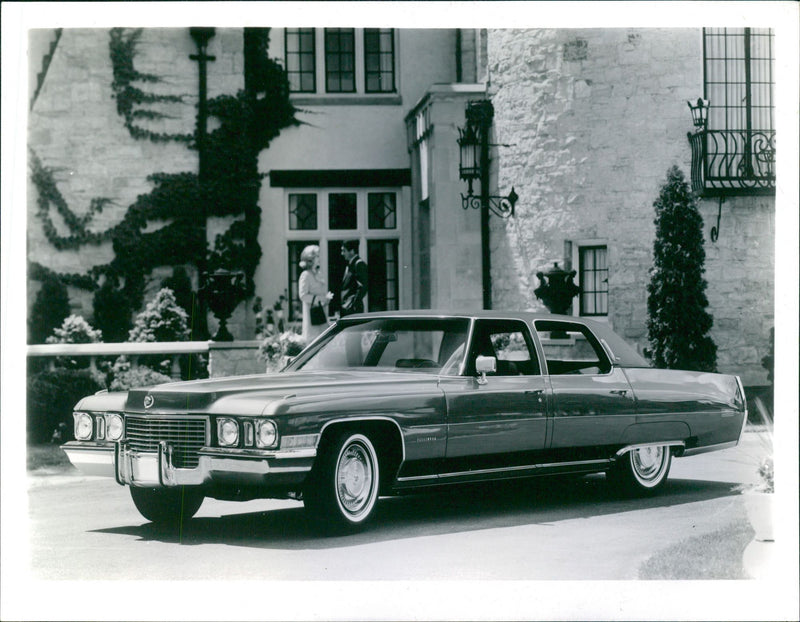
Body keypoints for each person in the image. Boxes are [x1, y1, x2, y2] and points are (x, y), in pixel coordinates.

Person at [297, 245, 332, 343]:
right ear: (310, 259)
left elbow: (322, 294)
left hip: (322, 314)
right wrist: (319, 299)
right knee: (314, 343)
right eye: (317, 256)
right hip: (312, 317)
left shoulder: (318, 274)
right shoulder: (305, 275)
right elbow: (303, 295)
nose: (319, 258)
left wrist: (326, 299)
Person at [339, 240, 368, 317]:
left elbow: (362, 287)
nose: (342, 254)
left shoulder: (359, 264)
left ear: (352, 251)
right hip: (347, 308)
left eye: (344, 251)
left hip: (353, 309)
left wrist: (353, 304)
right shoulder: (350, 265)